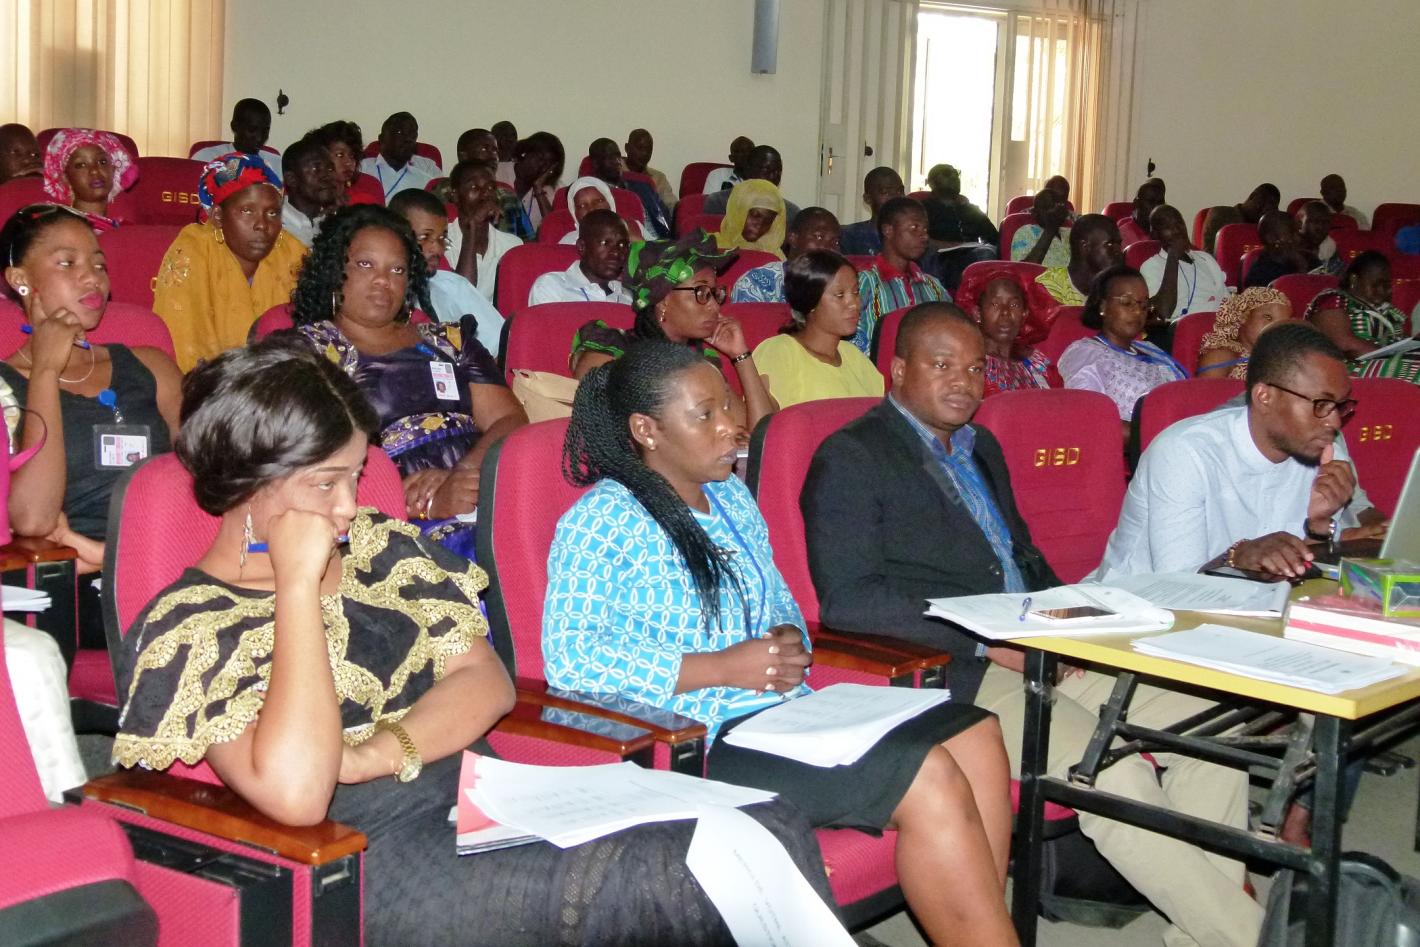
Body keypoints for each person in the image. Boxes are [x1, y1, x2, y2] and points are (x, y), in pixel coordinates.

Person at [113, 338, 841, 947]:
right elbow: (301, 793)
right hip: (372, 856)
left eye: (356, 477)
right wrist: (297, 588)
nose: (351, 505)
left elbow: (485, 681)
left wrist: (375, 753)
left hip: (491, 798)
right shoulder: (192, 625)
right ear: (251, 484)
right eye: (327, 484)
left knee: (764, 819)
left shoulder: (380, 550)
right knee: (670, 873)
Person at [801, 302, 1264, 947]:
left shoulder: (981, 446)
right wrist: (986, 640)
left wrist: (1081, 617)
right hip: (955, 670)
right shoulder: (852, 457)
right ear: (898, 370)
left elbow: (1022, 559)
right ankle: (1250, 935)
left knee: (1210, 728)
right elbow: (850, 601)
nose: (963, 382)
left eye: (974, 368)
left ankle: (1205, 934)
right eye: (942, 365)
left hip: (1044, 643)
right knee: (1109, 772)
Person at [544, 339, 1018, 947]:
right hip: (695, 739)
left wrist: (788, 637)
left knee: (976, 733)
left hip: (784, 715)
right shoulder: (602, 521)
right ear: (647, 430)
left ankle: (979, 923)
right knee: (927, 774)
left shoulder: (732, 498)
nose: (731, 426)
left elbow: (780, 601)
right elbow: (572, 659)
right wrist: (720, 667)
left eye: (728, 406)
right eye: (705, 415)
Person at [292, 204, 526, 557]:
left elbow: (509, 419)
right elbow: (305, 466)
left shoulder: (449, 341)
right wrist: (421, 502)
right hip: (388, 513)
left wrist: (465, 475)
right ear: (335, 271)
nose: (383, 280)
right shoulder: (309, 352)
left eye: (397, 269)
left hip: (483, 483)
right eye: (366, 264)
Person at [0, 203, 182, 650]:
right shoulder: (6, 386)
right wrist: (45, 371)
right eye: (68, 263)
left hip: (169, 557)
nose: (92, 277)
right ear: (21, 279)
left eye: (99, 265)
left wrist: (108, 555)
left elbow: (209, 480)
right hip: (73, 582)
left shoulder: (150, 365)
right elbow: (35, 519)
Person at [1097, 322, 1383, 579]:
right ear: (1264, 397)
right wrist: (1236, 557)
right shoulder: (1184, 453)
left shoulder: (1326, 453)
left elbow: (1296, 569)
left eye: (1341, 406)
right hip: (1133, 605)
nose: (1334, 422)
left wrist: (1318, 526)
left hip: (1252, 605)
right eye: (1321, 404)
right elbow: (1178, 585)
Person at [569, 232, 776, 435]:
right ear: (663, 300)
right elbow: (596, 434)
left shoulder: (702, 363)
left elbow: (762, 439)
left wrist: (740, 355)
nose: (714, 306)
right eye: (701, 293)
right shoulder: (610, 352)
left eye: (715, 294)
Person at [153, 153, 306, 371]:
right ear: (218, 216)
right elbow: (185, 346)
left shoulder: (292, 252)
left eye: (272, 213)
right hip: (210, 383)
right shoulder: (194, 249)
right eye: (247, 211)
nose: (262, 225)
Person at [1058, 264, 1187, 428]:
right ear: (1103, 306)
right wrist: (1150, 433)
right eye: (1126, 302)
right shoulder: (1085, 353)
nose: (1138, 312)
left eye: (1144, 305)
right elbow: (1090, 418)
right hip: (1143, 441)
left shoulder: (1151, 349)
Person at [750, 250, 883, 408]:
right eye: (840, 295)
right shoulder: (779, 351)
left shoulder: (854, 356)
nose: (855, 304)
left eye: (855, 292)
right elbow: (763, 420)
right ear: (810, 301)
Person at [388, 189, 504, 356]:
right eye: (424, 237)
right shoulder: (380, 296)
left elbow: (500, 345)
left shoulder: (453, 285)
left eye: (442, 238)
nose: (437, 249)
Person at [1305, 250, 1420, 384]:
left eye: (1386, 286)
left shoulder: (1388, 312)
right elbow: (1345, 344)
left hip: (1393, 363)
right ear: (1354, 279)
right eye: (1375, 285)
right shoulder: (1334, 299)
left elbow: (1401, 342)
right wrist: (1396, 355)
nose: (1382, 291)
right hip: (1351, 369)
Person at [853, 197, 950, 354]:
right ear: (888, 230)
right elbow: (850, 335)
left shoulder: (933, 286)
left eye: (925, 230)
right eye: (914, 228)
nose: (924, 236)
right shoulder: (865, 282)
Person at [443, 160, 522, 302]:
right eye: (474, 188)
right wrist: (473, 226)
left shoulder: (512, 245)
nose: (485, 194)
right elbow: (461, 297)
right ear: (455, 195)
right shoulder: (441, 241)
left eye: (491, 188)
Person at [730, 206, 840, 304]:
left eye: (835, 242)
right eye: (819, 237)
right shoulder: (758, 282)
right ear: (793, 238)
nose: (830, 248)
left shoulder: (841, 284)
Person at [1140, 204, 1229, 323]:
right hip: (1186, 328)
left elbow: (1227, 301)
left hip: (1222, 324)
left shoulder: (1205, 259)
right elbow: (1163, 311)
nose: (1177, 230)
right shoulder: (1151, 266)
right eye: (1167, 227)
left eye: (1179, 223)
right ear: (1155, 234)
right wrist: (1173, 255)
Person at [969, 275, 1055, 397]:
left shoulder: (1035, 362)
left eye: (1014, 305)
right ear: (978, 314)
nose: (1005, 312)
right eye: (995, 304)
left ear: (1024, 314)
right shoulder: (969, 363)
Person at [41, 128, 138, 233]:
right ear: (65, 177)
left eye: (102, 162)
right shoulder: (58, 230)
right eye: (81, 165)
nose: (94, 171)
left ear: (113, 170)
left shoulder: (124, 230)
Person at [529, 209, 632, 306]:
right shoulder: (552, 287)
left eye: (622, 245)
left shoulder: (628, 297)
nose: (616, 252)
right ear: (581, 247)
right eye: (605, 243)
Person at [1197, 287, 1295, 380]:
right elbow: (1205, 390)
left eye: (1281, 324)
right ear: (1244, 316)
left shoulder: (1276, 359)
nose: (1275, 328)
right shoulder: (1222, 354)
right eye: (1268, 317)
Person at [587, 138, 671, 239]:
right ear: (596, 163)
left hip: (661, 243)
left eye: (618, 156)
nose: (617, 161)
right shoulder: (594, 196)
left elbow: (665, 220)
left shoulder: (643, 186)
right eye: (610, 158)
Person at [1034, 214, 1124, 306]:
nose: (1119, 251)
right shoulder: (1049, 286)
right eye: (1110, 244)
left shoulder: (1117, 286)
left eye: (1119, 244)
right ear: (1084, 247)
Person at [703, 146, 801, 226]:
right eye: (766, 169)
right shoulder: (719, 202)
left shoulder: (790, 211)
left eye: (778, 171)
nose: (773, 176)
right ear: (748, 169)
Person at [190, 99, 282, 181]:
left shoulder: (277, 163)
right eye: (252, 130)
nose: (259, 138)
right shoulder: (206, 157)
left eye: (265, 131)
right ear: (234, 127)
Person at [360, 112, 442, 201]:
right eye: (399, 132)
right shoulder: (361, 169)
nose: (408, 139)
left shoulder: (427, 176)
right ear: (382, 138)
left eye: (412, 134)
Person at [279, 134, 340, 248]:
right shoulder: (274, 224)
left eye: (330, 168)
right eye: (316, 169)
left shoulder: (336, 224)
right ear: (291, 179)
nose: (327, 176)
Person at [921, 163, 998, 246]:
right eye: (946, 173)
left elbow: (995, 239)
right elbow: (918, 239)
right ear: (931, 182)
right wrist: (950, 245)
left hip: (972, 252)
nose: (954, 177)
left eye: (956, 173)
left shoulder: (972, 210)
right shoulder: (922, 209)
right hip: (935, 252)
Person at [837, 167, 906, 257]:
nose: (896, 197)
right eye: (886, 192)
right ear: (868, 199)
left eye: (900, 191)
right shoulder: (849, 237)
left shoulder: (914, 237)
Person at [556, 176, 644, 244]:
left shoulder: (634, 227)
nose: (592, 209)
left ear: (610, 202)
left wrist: (636, 241)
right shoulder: (568, 242)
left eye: (599, 201)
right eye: (582, 206)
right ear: (574, 213)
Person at [314, 120, 383, 207]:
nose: (348, 162)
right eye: (340, 155)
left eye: (352, 155)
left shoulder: (370, 185)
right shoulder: (311, 190)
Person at [712, 179, 786, 259]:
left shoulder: (775, 256)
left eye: (768, 220)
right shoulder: (711, 246)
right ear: (738, 212)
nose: (760, 224)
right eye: (755, 215)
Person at [1202, 183, 1279, 255]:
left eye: (1269, 207)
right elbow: (1210, 253)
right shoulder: (1222, 214)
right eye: (1261, 202)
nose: (1263, 208)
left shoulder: (1266, 227)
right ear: (1252, 197)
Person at [511, 132, 563, 232]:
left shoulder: (555, 190)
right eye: (540, 158)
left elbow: (555, 228)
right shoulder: (498, 173)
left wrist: (538, 190)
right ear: (526, 152)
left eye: (549, 164)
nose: (543, 166)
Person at [1242, 211, 1308, 289]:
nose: (1298, 238)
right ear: (1271, 238)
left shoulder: (1307, 258)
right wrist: (1301, 268)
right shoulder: (1260, 272)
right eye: (1291, 233)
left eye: (1297, 232)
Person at [1009, 188, 1071, 267]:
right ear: (1035, 213)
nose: (1055, 210)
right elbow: (1024, 269)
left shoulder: (1071, 233)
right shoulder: (1025, 232)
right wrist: (1051, 228)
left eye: (1058, 204)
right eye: (1048, 206)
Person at [624, 127, 676, 212]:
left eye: (649, 149)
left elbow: (671, 205)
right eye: (640, 148)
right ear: (627, 148)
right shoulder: (615, 171)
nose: (645, 153)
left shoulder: (659, 178)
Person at [1297, 200, 1341, 275]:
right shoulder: (1289, 247)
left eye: (1325, 222)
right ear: (1299, 222)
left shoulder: (1329, 245)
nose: (1320, 227)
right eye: (1314, 221)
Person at [1118, 179, 1164, 248]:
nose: (1156, 207)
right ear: (1136, 203)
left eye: (1160, 203)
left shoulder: (1167, 233)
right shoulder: (1122, 236)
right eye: (1150, 202)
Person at [490, 119, 518, 187]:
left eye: (513, 135)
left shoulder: (521, 166)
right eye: (504, 135)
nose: (511, 139)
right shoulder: (487, 168)